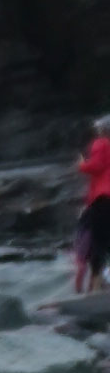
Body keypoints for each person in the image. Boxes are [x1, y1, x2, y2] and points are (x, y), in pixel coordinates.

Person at [76, 115, 110, 294]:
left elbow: (96, 166)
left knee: (99, 242)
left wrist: (82, 164)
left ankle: (97, 287)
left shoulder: (101, 143)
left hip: (103, 199)